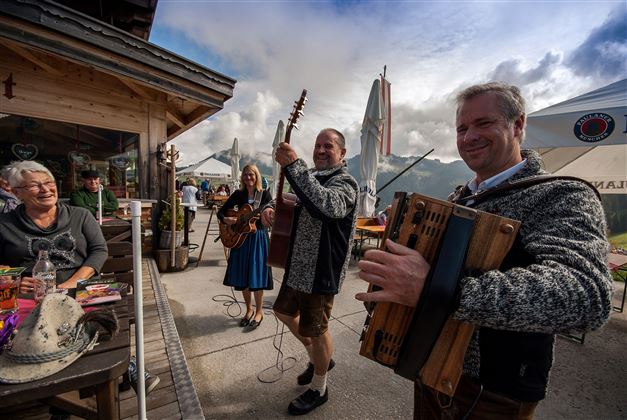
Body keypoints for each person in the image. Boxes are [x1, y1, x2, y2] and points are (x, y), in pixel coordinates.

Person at [355, 82, 613, 419]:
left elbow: (588, 296)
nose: (468, 137)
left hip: (492, 394)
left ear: (517, 125)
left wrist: (439, 291)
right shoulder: (458, 197)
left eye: (484, 123)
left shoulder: (562, 195)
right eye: (462, 128)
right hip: (426, 367)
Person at [0, 160, 161, 397]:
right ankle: (59, 390)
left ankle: (125, 365)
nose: (46, 190)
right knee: (31, 336)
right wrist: (10, 279)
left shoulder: (80, 216)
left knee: (97, 320)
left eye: (49, 183)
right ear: (16, 192)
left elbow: (99, 251)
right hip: (29, 295)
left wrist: (72, 282)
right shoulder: (5, 225)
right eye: (35, 186)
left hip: (81, 287)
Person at [261, 128, 358, 415]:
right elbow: (292, 203)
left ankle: (319, 387)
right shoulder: (312, 178)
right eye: (317, 145)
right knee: (283, 312)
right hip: (297, 267)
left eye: (328, 146)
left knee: (318, 330)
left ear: (342, 153)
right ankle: (319, 359)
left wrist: (293, 165)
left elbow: (327, 206)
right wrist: (270, 208)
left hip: (321, 270)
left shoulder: (346, 183)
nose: (320, 150)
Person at [218, 164, 273, 330]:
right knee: (243, 276)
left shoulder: (265, 195)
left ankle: (259, 311)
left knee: (257, 276)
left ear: (256, 176)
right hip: (240, 239)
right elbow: (221, 212)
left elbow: (271, 211)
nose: (248, 178)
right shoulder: (238, 194)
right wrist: (226, 220)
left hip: (258, 239)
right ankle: (248, 310)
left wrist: (268, 214)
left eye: (252, 175)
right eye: (246, 175)